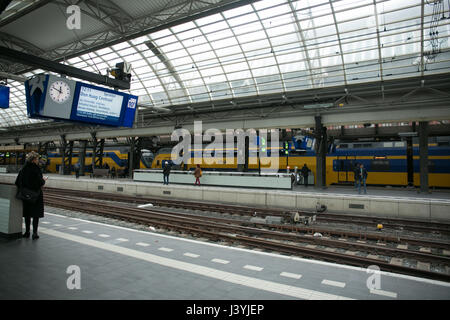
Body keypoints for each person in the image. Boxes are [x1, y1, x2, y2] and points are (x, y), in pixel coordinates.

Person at [14, 151, 47, 240]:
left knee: (27, 214)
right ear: (33, 160)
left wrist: (24, 188)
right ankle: (35, 233)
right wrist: (43, 180)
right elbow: (40, 183)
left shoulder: (23, 169)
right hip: (36, 195)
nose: (38, 161)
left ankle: (27, 232)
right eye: (37, 159)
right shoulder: (36, 169)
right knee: (35, 214)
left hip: (26, 195)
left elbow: (17, 182)